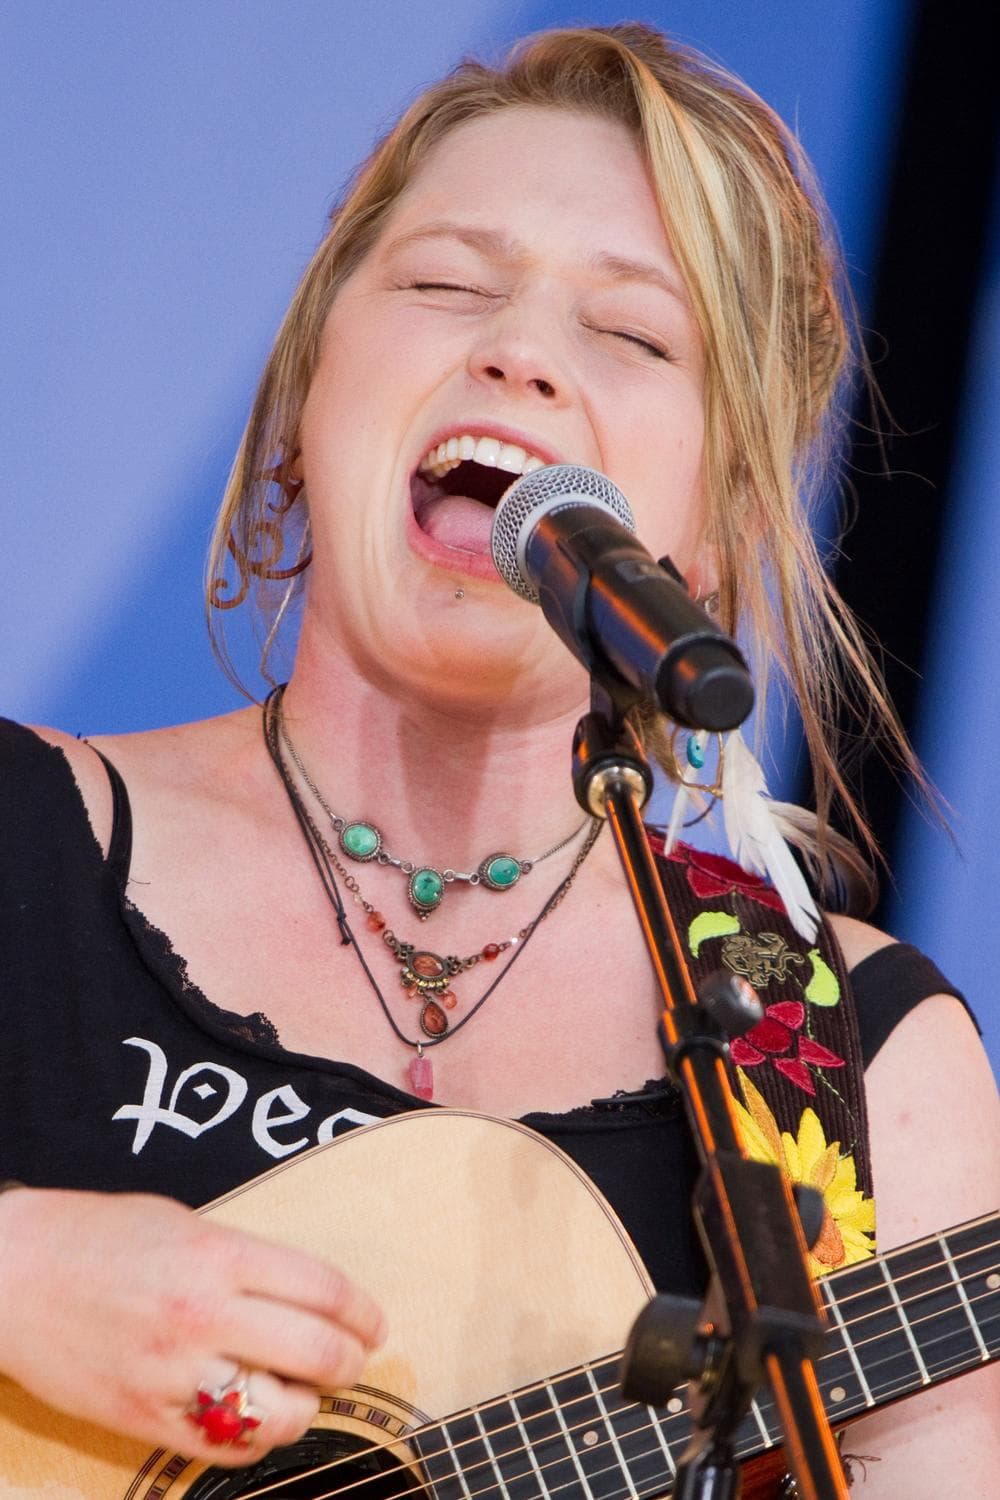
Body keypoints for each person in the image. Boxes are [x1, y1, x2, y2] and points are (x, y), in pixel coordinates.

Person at [1, 22, 997, 1495]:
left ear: (714, 527)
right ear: (303, 407)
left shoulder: (850, 1058)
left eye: (635, 334)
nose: (519, 352)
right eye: (446, 285)